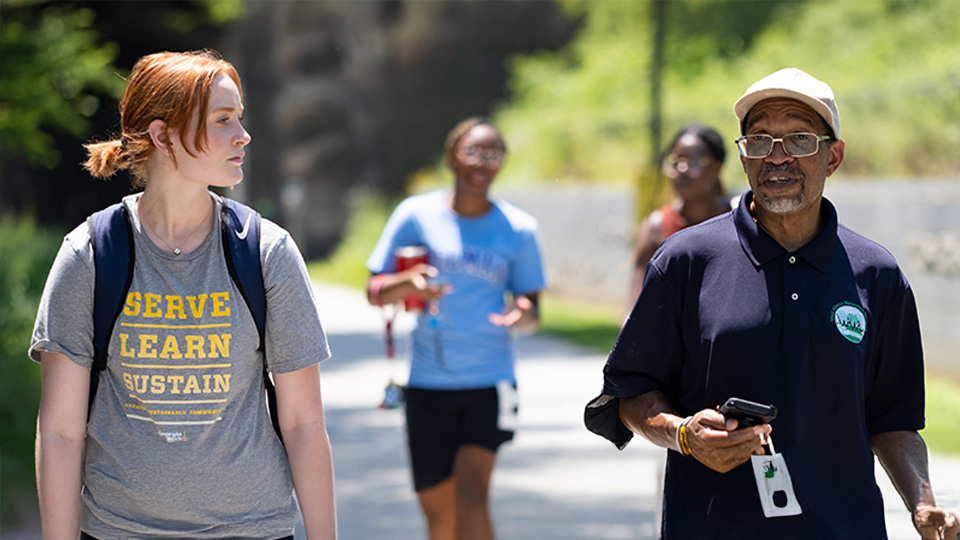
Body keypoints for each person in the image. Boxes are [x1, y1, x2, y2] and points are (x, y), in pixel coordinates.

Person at [586, 68, 960, 539]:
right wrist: (684, 435)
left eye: (799, 140)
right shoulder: (685, 260)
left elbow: (894, 419)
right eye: (759, 141)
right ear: (742, 159)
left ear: (834, 156)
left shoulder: (877, 273)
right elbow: (629, 393)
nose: (776, 157)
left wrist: (922, 504)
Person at [30, 50, 337, 540]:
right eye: (223, 121)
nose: (243, 136)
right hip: (118, 530)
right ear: (163, 135)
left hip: (251, 528)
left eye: (240, 118)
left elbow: (302, 423)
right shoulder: (90, 254)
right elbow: (62, 433)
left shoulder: (265, 252)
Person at [365, 117, 547, 540]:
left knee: (471, 495)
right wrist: (406, 284)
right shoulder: (414, 215)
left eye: (492, 154)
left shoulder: (519, 229)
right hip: (428, 383)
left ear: (502, 163)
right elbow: (375, 290)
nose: (481, 162)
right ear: (452, 157)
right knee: (438, 514)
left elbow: (533, 308)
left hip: (490, 381)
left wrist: (523, 313)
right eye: (472, 151)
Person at [628, 125, 731, 309]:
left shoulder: (737, 223)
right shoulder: (657, 226)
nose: (682, 170)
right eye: (676, 161)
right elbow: (635, 308)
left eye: (694, 161)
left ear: (716, 169)